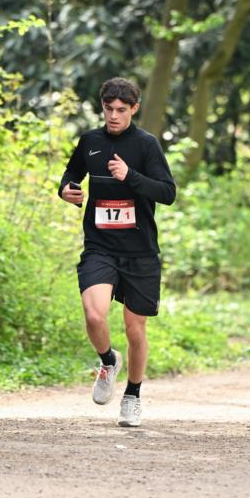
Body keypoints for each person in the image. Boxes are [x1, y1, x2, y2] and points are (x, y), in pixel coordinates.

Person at [58, 77, 177, 427]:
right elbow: (71, 173)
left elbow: (167, 193)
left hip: (140, 251)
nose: (113, 116)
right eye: (108, 109)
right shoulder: (91, 141)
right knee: (95, 315)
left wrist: (130, 176)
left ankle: (133, 396)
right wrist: (66, 189)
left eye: (121, 111)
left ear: (134, 109)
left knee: (134, 328)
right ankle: (108, 361)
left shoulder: (146, 145)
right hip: (100, 246)